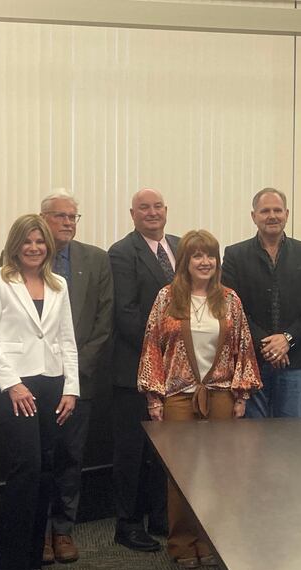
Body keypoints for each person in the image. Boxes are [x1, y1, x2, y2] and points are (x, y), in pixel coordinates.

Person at [138, 230, 261, 568]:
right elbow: (152, 348)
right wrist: (155, 397)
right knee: (182, 476)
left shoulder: (230, 299)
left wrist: (241, 395)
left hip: (221, 396)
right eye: (197, 255)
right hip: (178, 397)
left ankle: (211, 542)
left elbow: (244, 349)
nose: (205, 261)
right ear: (185, 262)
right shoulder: (167, 298)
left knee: (220, 474)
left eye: (211, 255)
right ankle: (181, 543)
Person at [0, 214, 79, 570]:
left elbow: (67, 340)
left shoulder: (59, 284)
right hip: (17, 388)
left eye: (40, 242)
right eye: (28, 241)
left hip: (53, 384)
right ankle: (9, 563)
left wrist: (72, 388)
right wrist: (12, 384)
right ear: (16, 244)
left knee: (48, 469)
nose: (34, 248)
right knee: (27, 468)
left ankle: (33, 558)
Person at [38, 190, 113, 563]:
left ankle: (63, 530)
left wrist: (75, 372)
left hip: (78, 379)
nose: (68, 222)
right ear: (43, 217)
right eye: (60, 215)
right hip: (35, 379)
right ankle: (37, 531)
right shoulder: (24, 254)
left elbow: (104, 321)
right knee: (37, 456)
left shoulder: (96, 260)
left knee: (71, 455)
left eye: (73, 216)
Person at [108, 188, 176, 551]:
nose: (152, 213)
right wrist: (162, 355)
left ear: (167, 210)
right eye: (144, 208)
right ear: (132, 214)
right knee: (132, 451)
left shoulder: (180, 247)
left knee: (165, 450)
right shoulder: (121, 253)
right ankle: (128, 524)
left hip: (178, 374)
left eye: (157, 207)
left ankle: (161, 516)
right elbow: (127, 313)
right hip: (134, 369)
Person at [221, 187, 301, 418]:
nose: (272, 216)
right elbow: (232, 310)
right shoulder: (235, 255)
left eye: (277, 210)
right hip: (251, 362)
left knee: (291, 440)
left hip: (294, 361)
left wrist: (287, 339)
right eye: (265, 211)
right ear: (253, 216)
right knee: (252, 440)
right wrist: (268, 345)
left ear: (287, 214)